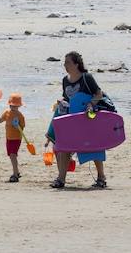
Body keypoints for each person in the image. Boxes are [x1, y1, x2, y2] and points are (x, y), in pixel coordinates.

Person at [50, 52, 107, 189]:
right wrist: (61, 102)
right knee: (64, 147)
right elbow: (67, 98)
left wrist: (91, 104)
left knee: (94, 148)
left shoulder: (86, 78)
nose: (65, 65)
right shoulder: (65, 80)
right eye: (64, 63)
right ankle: (61, 179)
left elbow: (99, 94)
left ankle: (101, 177)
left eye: (68, 62)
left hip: (87, 119)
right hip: (70, 120)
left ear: (76, 64)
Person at [0, 93, 26, 183]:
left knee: (13, 155)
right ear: (9, 104)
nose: (13, 107)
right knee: (11, 155)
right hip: (9, 137)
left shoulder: (20, 115)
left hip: (16, 138)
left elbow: (22, 127)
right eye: (12, 105)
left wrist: (17, 126)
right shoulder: (7, 113)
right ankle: (16, 172)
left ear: (19, 106)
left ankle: (15, 175)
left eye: (15, 106)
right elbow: (0, 120)